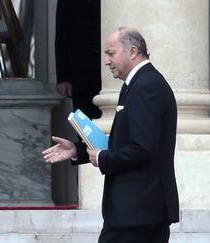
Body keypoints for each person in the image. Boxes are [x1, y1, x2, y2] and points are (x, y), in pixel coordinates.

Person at [43, 27, 179, 243]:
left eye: (111, 53)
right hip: (139, 209)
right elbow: (126, 142)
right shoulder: (137, 84)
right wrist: (78, 149)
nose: (106, 61)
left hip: (138, 210)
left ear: (132, 51)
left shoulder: (146, 86)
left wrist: (103, 158)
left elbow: (142, 149)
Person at [55, 0, 102, 119]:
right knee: (85, 125)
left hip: (110, 70)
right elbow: (61, 34)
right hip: (80, 72)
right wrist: (63, 76)